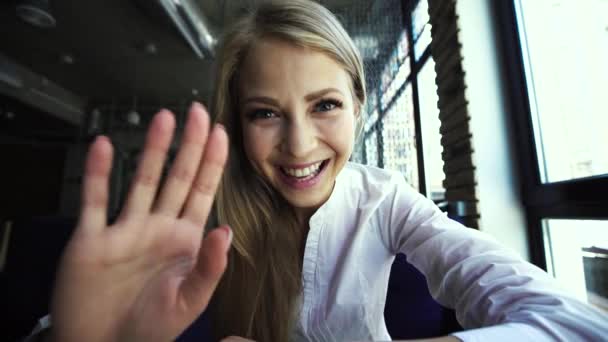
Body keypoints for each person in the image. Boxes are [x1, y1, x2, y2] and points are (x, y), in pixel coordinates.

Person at [30, 0, 607, 341]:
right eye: (265, 114)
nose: (299, 146)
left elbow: (572, 326)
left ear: (358, 103)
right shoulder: (196, 215)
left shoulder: (384, 200)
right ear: (238, 120)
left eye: (325, 105)